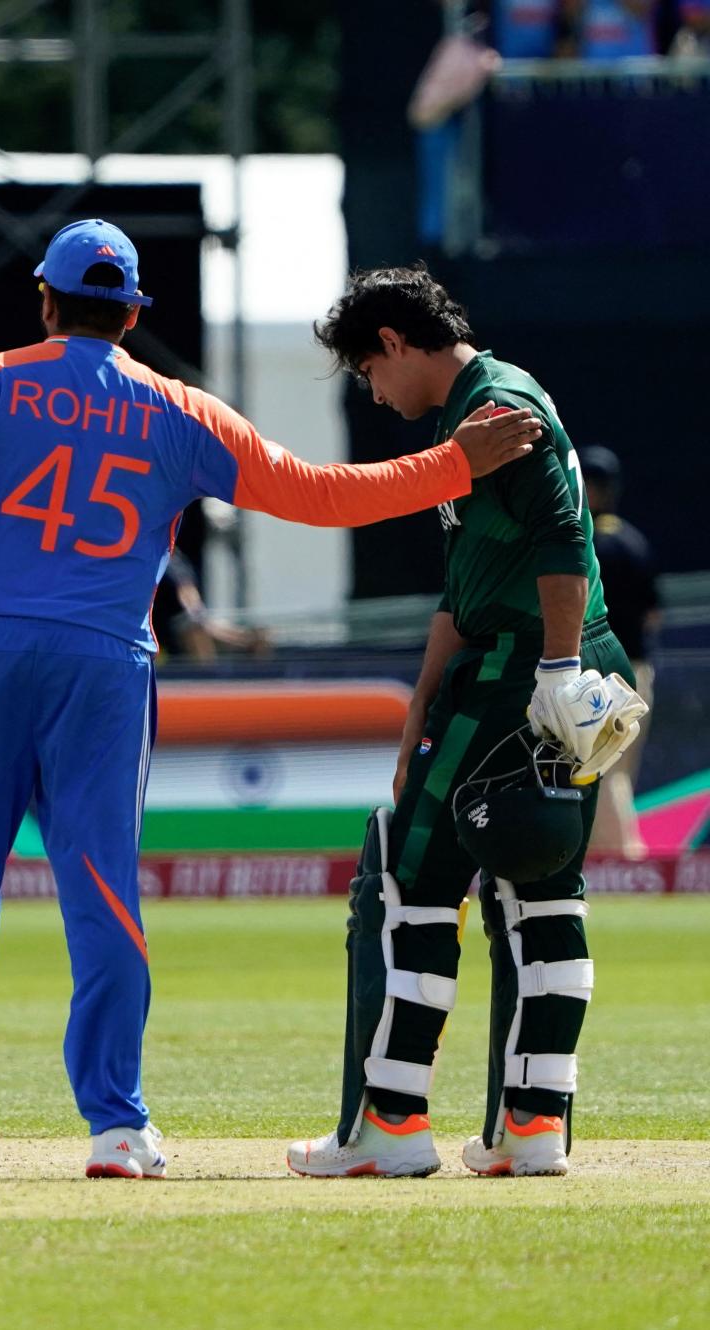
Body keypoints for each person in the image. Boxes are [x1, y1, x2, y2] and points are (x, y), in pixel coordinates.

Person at [0, 221, 540, 1181]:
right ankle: (118, 1127)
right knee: (102, 888)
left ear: (45, 302)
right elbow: (323, 494)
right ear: (130, 315)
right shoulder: (179, 412)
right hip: (104, 666)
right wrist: (456, 464)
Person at [286, 263, 644, 1180]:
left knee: (407, 877)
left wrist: (555, 672)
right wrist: (416, 718)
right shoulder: (470, 418)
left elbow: (567, 542)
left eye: (371, 371)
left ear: (397, 343)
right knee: (542, 883)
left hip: (525, 665)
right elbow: (465, 586)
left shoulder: (496, 407)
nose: (374, 390)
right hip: (543, 660)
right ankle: (532, 1127)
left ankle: (390, 1123)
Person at [581, 446, 659, 859]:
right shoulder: (634, 541)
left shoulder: (591, 546)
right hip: (640, 669)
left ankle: (628, 860)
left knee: (602, 769)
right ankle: (622, 856)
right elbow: (653, 617)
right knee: (619, 772)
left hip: (604, 672)